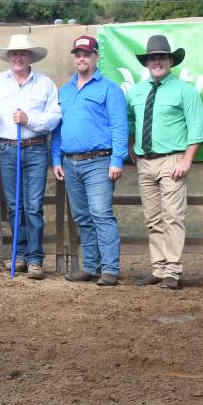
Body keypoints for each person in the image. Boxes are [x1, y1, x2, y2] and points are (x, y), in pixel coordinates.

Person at [0, 34, 61, 279]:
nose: (18, 57)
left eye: (22, 53)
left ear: (30, 57)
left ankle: (35, 258)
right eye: (14, 53)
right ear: (8, 57)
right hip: (7, 147)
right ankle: (20, 254)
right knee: (16, 206)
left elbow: (54, 116)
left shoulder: (45, 84)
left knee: (34, 206)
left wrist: (30, 120)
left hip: (36, 147)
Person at [127, 35, 203, 290]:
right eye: (152, 57)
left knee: (173, 216)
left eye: (161, 57)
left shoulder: (185, 91)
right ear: (147, 62)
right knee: (153, 218)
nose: (157, 61)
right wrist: (131, 148)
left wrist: (186, 160)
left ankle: (172, 270)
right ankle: (158, 268)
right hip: (145, 163)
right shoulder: (136, 92)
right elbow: (130, 122)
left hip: (172, 160)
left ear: (171, 61)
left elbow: (197, 128)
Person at [51, 35, 129, 286]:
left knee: (100, 213)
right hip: (70, 161)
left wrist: (118, 159)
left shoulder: (110, 89)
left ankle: (110, 269)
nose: (81, 58)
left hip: (99, 161)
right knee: (82, 216)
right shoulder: (64, 91)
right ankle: (91, 267)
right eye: (77, 54)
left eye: (86, 53)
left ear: (96, 57)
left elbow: (119, 126)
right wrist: (56, 158)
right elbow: (56, 128)